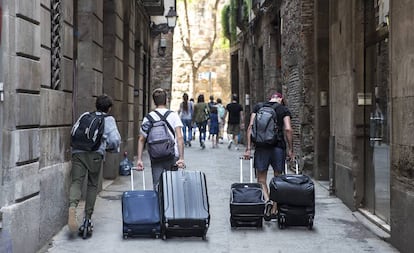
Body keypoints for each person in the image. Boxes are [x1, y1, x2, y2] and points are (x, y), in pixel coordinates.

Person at [68, 94, 121, 234]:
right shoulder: (109, 119)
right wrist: (109, 148)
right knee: (92, 185)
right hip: (95, 154)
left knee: (76, 182)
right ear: (109, 108)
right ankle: (87, 218)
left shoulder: (85, 115)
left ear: (96, 105)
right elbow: (115, 140)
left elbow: (74, 130)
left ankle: (72, 207)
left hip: (78, 152)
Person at [244, 92, 294, 221]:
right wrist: (291, 150)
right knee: (278, 179)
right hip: (278, 147)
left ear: (270, 99)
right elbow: (288, 129)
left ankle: (267, 200)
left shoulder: (259, 107)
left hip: (261, 147)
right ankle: (274, 208)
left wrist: (248, 149)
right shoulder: (283, 109)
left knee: (261, 179)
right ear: (281, 99)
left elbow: (250, 127)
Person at [136, 88, 185, 189]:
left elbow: (141, 139)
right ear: (166, 100)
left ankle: (159, 204)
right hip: (172, 155)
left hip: (156, 155)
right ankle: (170, 204)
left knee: (157, 185)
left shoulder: (148, 117)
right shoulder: (173, 115)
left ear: (154, 102)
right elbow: (180, 138)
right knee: (172, 186)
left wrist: (139, 159)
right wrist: (181, 158)